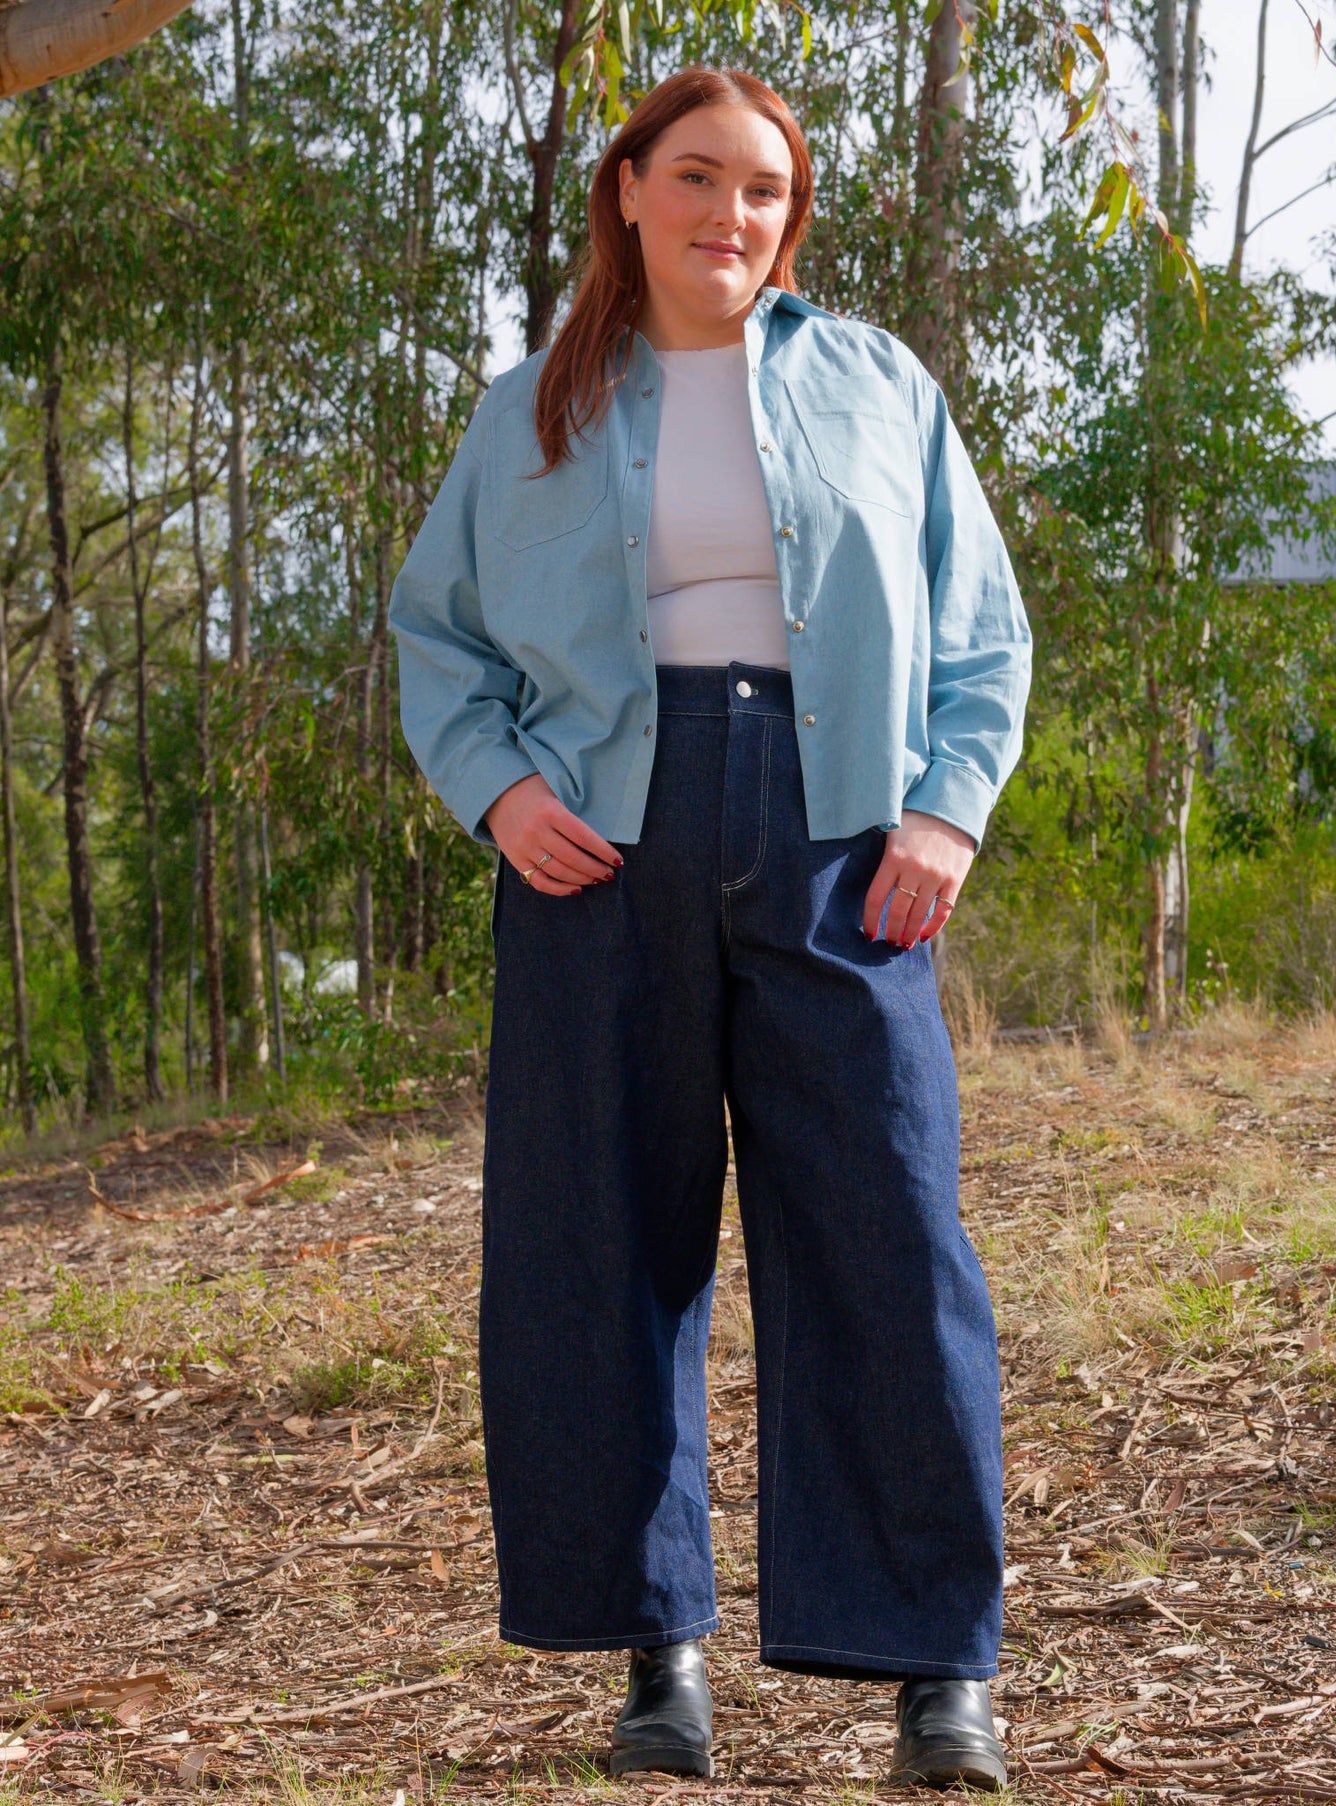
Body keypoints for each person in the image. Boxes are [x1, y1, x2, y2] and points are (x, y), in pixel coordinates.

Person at [388, 64, 1031, 1793]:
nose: (726, 214)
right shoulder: (530, 408)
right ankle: (654, 1648)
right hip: (603, 842)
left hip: (841, 848)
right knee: (601, 1244)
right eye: (694, 177)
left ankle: (933, 1674)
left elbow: (981, 626)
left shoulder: (879, 384)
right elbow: (435, 637)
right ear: (625, 193)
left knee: (892, 1246)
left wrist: (948, 806)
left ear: (788, 217)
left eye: (761, 188)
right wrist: (498, 792)